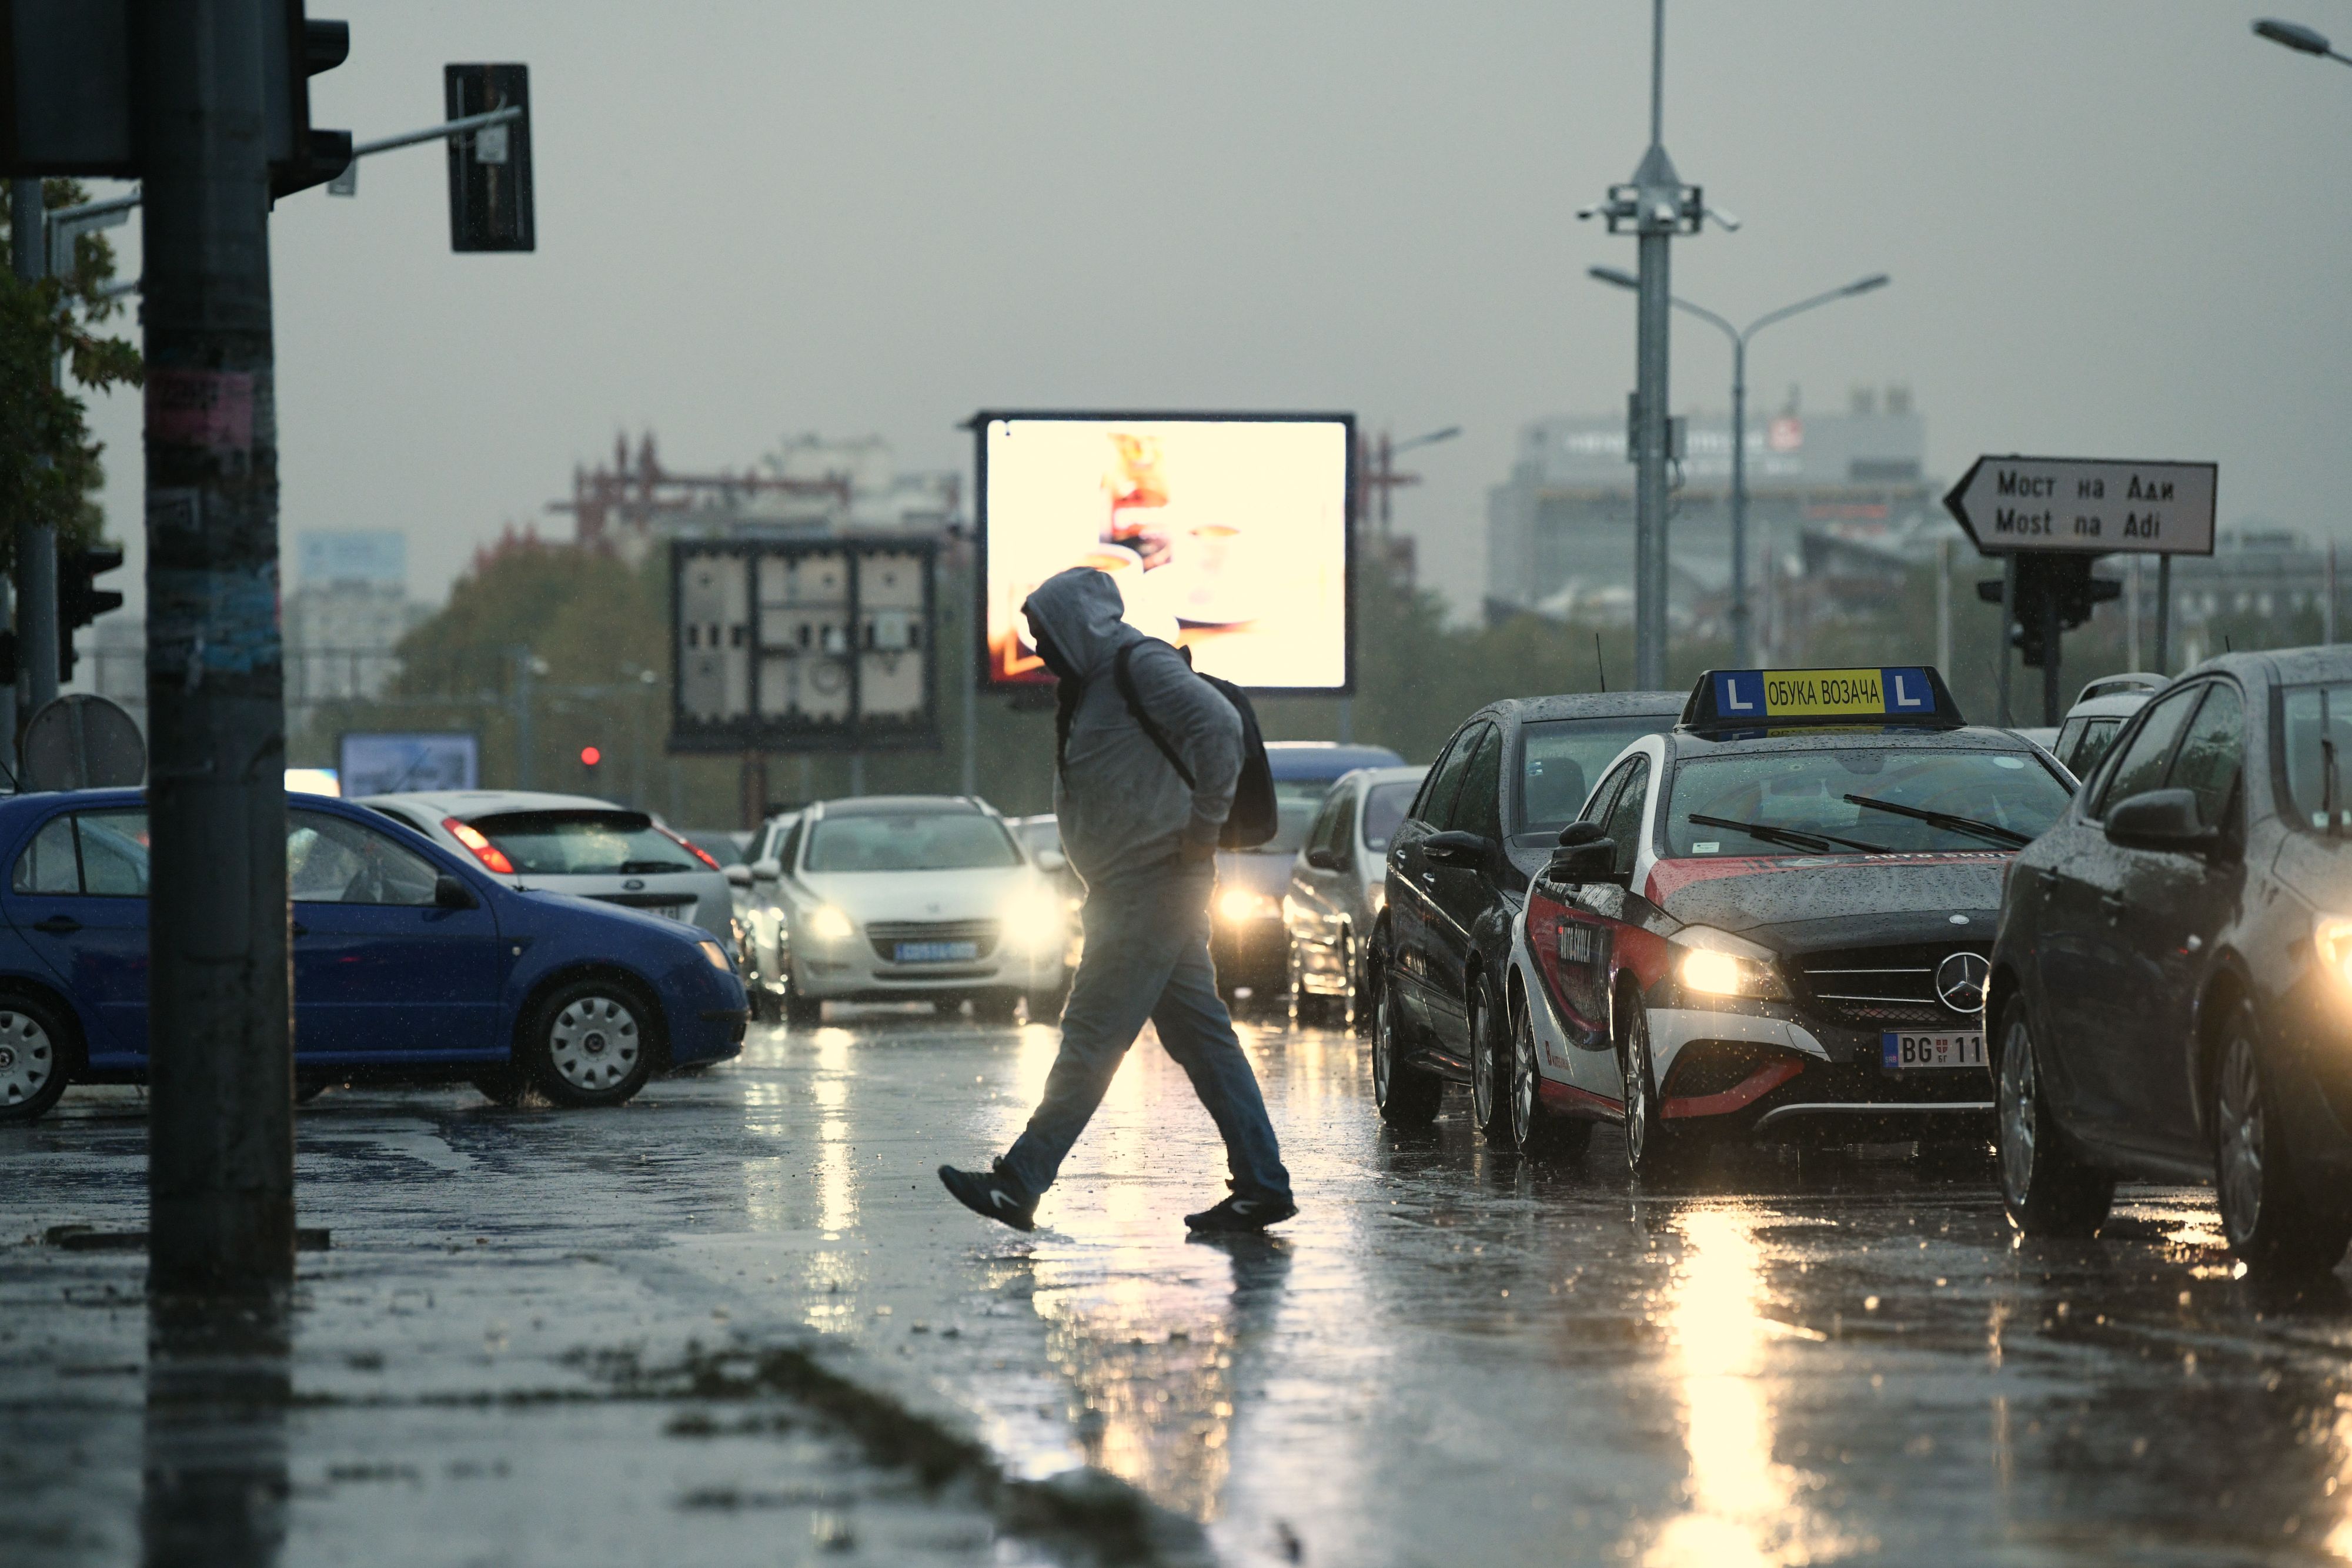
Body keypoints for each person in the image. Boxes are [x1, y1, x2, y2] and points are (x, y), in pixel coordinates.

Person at [938, 567, 1295, 1235]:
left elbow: (1219, 728)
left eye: (1043, 632)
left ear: (1076, 624)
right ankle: (1261, 1185)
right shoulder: (1089, 684)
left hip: (1152, 885)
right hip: (1135, 888)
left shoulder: (1141, 664)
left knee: (1091, 1036)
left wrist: (1202, 830)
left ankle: (1019, 1182)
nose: (1036, 648)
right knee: (1204, 1040)